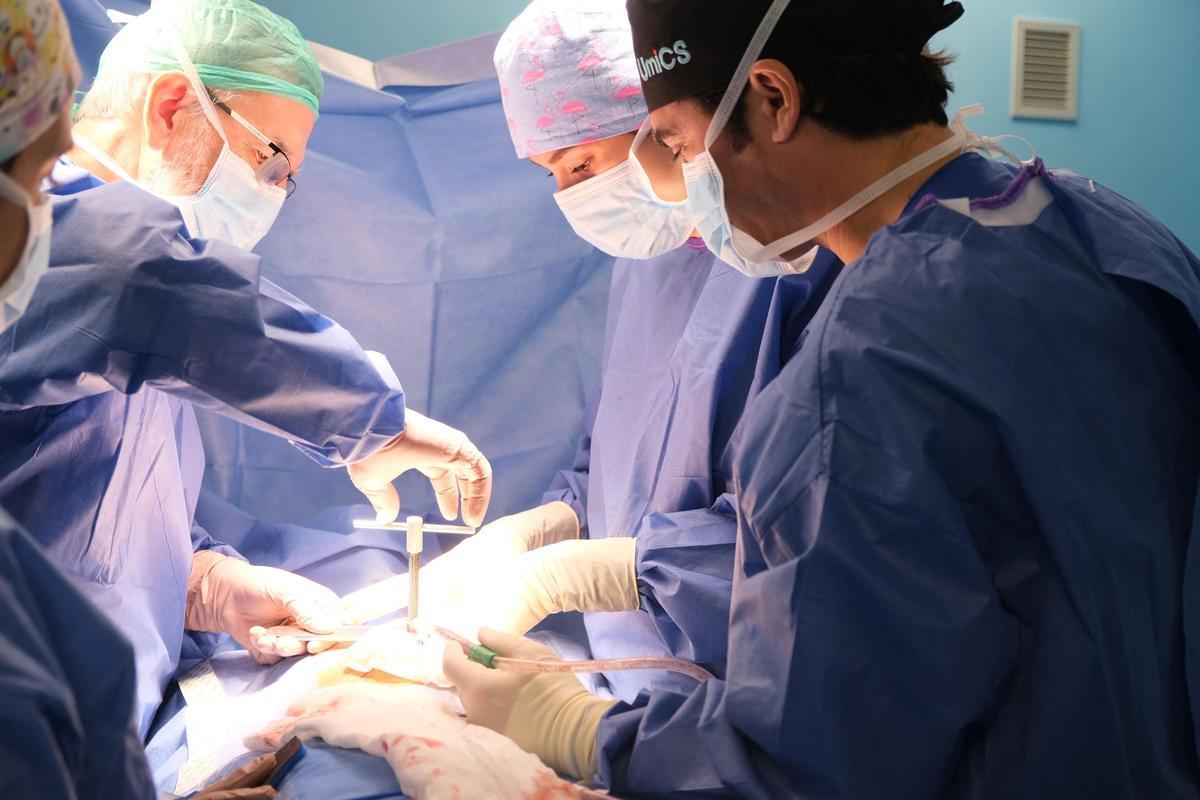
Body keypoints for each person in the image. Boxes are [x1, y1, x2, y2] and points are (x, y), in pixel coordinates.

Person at [444, 0, 1200, 796]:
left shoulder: (874, 355)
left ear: (772, 100)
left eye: (673, 143)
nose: (680, 185)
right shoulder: (1111, 230)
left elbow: (816, 761)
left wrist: (582, 731)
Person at [0, 0, 492, 740]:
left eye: (283, 179)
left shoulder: (131, 332)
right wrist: (371, 421)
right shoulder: (45, 243)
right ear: (172, 106)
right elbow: (137, 272)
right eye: (268, 162)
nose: (271, 194)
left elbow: (78, 517)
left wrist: (210, 589)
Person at [343, 0, 841, 706]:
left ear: (660, 126)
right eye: (553, 173)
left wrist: (575, 577)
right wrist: (544, 531)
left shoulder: (795, 264)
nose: (573, 196)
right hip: (624, 674)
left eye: (580, 162)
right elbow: (612, 464)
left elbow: (807, 525)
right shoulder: (649, 256)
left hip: (739, 691)